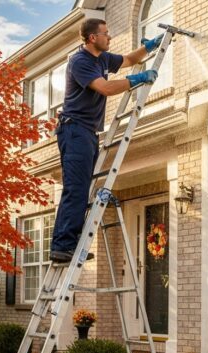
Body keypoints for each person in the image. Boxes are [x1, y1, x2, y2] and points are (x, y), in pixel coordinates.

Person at [50, 18, 162, 264]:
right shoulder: (80, 61)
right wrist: (136, 80)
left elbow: (129, 60)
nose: (109, 37)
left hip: (88, 132)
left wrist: (150, 46)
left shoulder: (102, 58)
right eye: (106, 34)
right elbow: (106, 88)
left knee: (82, 189)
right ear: (92, 38)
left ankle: (68, 243)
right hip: (75, 130)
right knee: (76, 188)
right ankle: (62, 246)